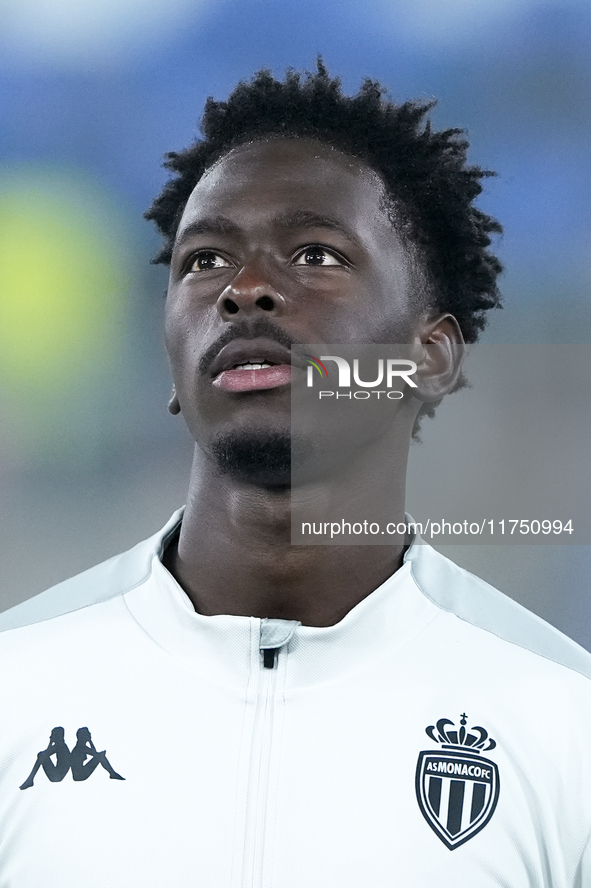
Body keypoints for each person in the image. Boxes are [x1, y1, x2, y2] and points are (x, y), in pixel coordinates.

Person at [1, 62, 590, 885]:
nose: (244, 290)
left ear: (428, 356)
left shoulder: (563, 716)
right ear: (169, 357)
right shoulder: (15, 685)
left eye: (314, 253)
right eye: (204, 261)